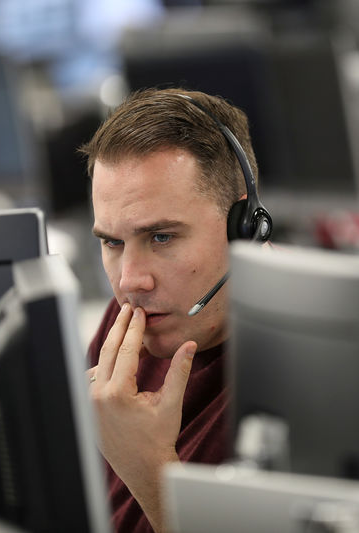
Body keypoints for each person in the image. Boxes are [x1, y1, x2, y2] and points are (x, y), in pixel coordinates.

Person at [79, 87, 261, 533]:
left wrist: (151, 469)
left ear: (244, 228)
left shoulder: (305, 369)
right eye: (112, 242)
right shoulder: (127, 328)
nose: (129, 281)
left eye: (161, 237)